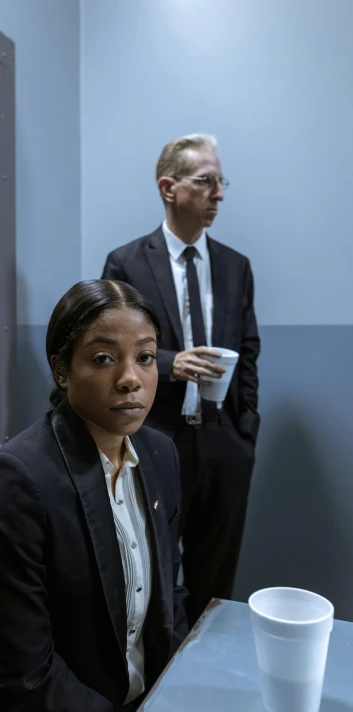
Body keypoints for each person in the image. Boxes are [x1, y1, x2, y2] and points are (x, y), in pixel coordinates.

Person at [0, 280, 188, 712]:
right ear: (62, 370)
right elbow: (20, 676)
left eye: (146, 358)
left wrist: (174, 701)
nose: (131, 379)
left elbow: (171, 595)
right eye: (104, 359)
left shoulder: (160, 454)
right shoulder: (17, 481)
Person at [102, 134, 260, 626]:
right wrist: (170, 362)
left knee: (217, 582)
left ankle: (207, 681)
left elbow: (249, 352)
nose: (219, 193)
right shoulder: (127, 262)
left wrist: (245, 430)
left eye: (221, 181)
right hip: (155, 440)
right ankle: (160, 688)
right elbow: (110, 347)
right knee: (154, 573)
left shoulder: (236, 266)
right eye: (206, 181)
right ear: (169, 187)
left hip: (224, 441)